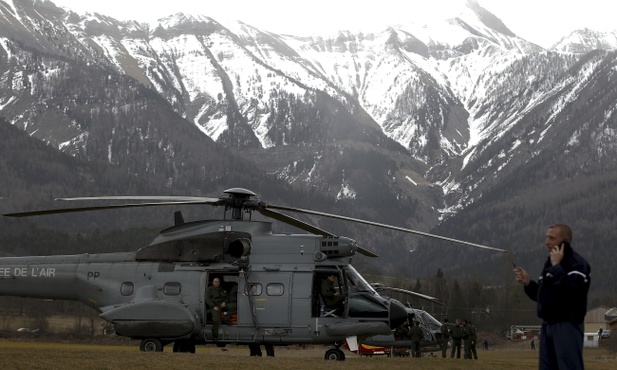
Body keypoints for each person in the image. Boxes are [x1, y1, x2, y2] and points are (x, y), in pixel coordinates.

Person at [514, 223, 591, 370]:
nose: (546, 242)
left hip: (567, 325)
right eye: (546, 237)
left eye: (551, 238)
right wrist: (528, 283)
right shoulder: (549, 264)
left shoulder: (577, 264)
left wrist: (556, 268)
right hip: (548, 326)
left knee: (568, 366)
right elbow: (545, 296)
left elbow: (573, 292)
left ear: (565, 241)